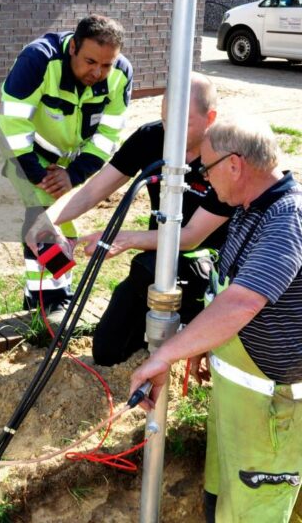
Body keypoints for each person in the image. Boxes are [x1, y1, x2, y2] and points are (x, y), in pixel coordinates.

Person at [129, 117, 302, 523]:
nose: (203, 181)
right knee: (222, 503)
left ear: (235, 165)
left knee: (255, 512)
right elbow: (225, 291)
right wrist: (205, 343)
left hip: (272, 415)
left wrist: (164, 355)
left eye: (206, 169)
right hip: (239, 402)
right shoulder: (247, 209)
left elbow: (241, 304)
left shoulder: (286, 220)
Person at [26, 72, 234, 365]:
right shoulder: (151, 138)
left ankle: (193, 330)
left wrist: (122, 239)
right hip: (155, 262)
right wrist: (47, 221)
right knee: (107, 351)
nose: (170, 132)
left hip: (209, 268)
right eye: (165, 120)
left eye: (183, 123)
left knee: (151, 268)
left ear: (210, 117)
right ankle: (160, 335)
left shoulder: (227, 156)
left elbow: (190, 237)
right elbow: (94, 190)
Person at [0, 14, 132, 321]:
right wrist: (37, 174)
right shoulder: (38, 59)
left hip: (71, 162)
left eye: (106, 64)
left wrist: (74, 175)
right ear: (72, 47)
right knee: (43, 214)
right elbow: (12, 122)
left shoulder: (121, 74)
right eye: (90, 62)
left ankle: (46, 298)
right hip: (26, 151)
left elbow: (109, 134)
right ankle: (50, 302)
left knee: (63, 218)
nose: (98, 72)